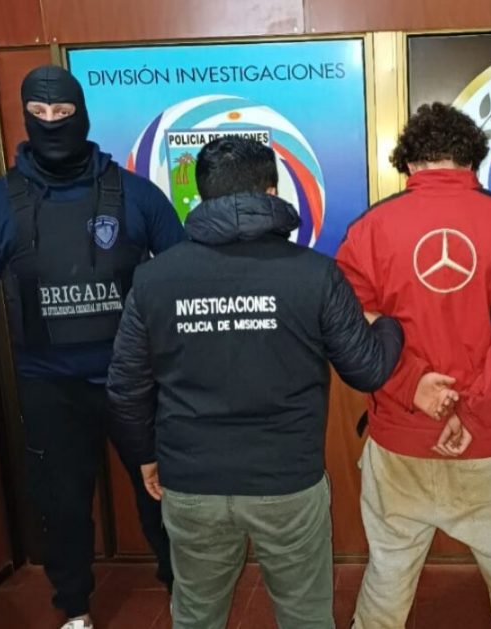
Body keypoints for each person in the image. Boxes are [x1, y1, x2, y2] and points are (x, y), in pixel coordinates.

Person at [106, 136, 404, 629]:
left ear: (202, 195)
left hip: (191, 479)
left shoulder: (155, 279)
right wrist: (390, 326)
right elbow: (368, 370)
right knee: (305, 618)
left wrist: (145, 454)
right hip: (286, 482)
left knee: (196, 617)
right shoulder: (315, 274)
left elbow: (125, 387)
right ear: (271, 191)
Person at [336, 102, 491, 628]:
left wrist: (415, 387)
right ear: (472, 161)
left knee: (387, 578)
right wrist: (472, 411)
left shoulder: (370, 229)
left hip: (401, 440)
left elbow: (347, 330)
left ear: (410, 163)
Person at [0, 65, 182, 629]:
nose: (51, 124)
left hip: (135, 381)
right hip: (49, 386)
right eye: (38, 114)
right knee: (61, 505)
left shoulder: (137, 196)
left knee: (164, 496)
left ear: (82, 115)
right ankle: (75, 610)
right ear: (25, 117)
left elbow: (187, 278)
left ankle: (187, 596)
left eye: (63, 113)